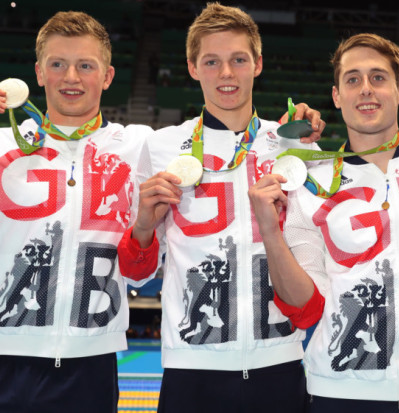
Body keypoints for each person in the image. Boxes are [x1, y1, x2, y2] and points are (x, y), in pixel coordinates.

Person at [116, 3, 324, 412]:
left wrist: (310, 142)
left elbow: (315, 268)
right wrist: (142, 226)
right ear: (193, 67)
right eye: (212, 61)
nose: (226, 73)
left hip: (280, 363)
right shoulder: (160, 147)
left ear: (258, 64)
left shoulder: (296, 147)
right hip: (190, 369)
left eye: (238, 60)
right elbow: (137, 274)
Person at [249, 32, 399, 412]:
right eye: (353, 79)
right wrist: (270, 230)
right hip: (338, 393)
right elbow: (305, 308)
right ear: (336, 97)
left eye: (378, 78)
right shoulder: (314, 181)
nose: (366, 89)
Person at [0, 11, 152, 413]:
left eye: (86, 65)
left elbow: (229, 146)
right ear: (38, 73)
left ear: (108, 75)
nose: (71, 77)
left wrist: (284, 132)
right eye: (58, 64)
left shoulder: (139, 146)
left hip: (90, 362)